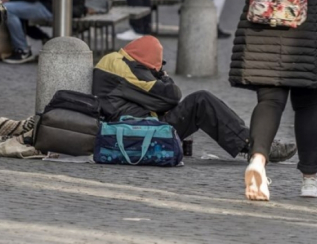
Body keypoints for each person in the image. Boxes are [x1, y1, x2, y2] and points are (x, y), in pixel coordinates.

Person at [223, 0, 317, 201]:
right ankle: (310, 180)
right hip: (309, 24)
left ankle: (258, 161)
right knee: (308, 103)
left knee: (271, 99)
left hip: (265, 21)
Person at [93, 36, 297, 162]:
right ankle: (254, 144)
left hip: (133, 125)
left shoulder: (114, 61)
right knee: (202, 101)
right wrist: (162, 75)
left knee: (201, 103)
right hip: (142, 128)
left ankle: (251, 140)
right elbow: (171, 97)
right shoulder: (128, 68)